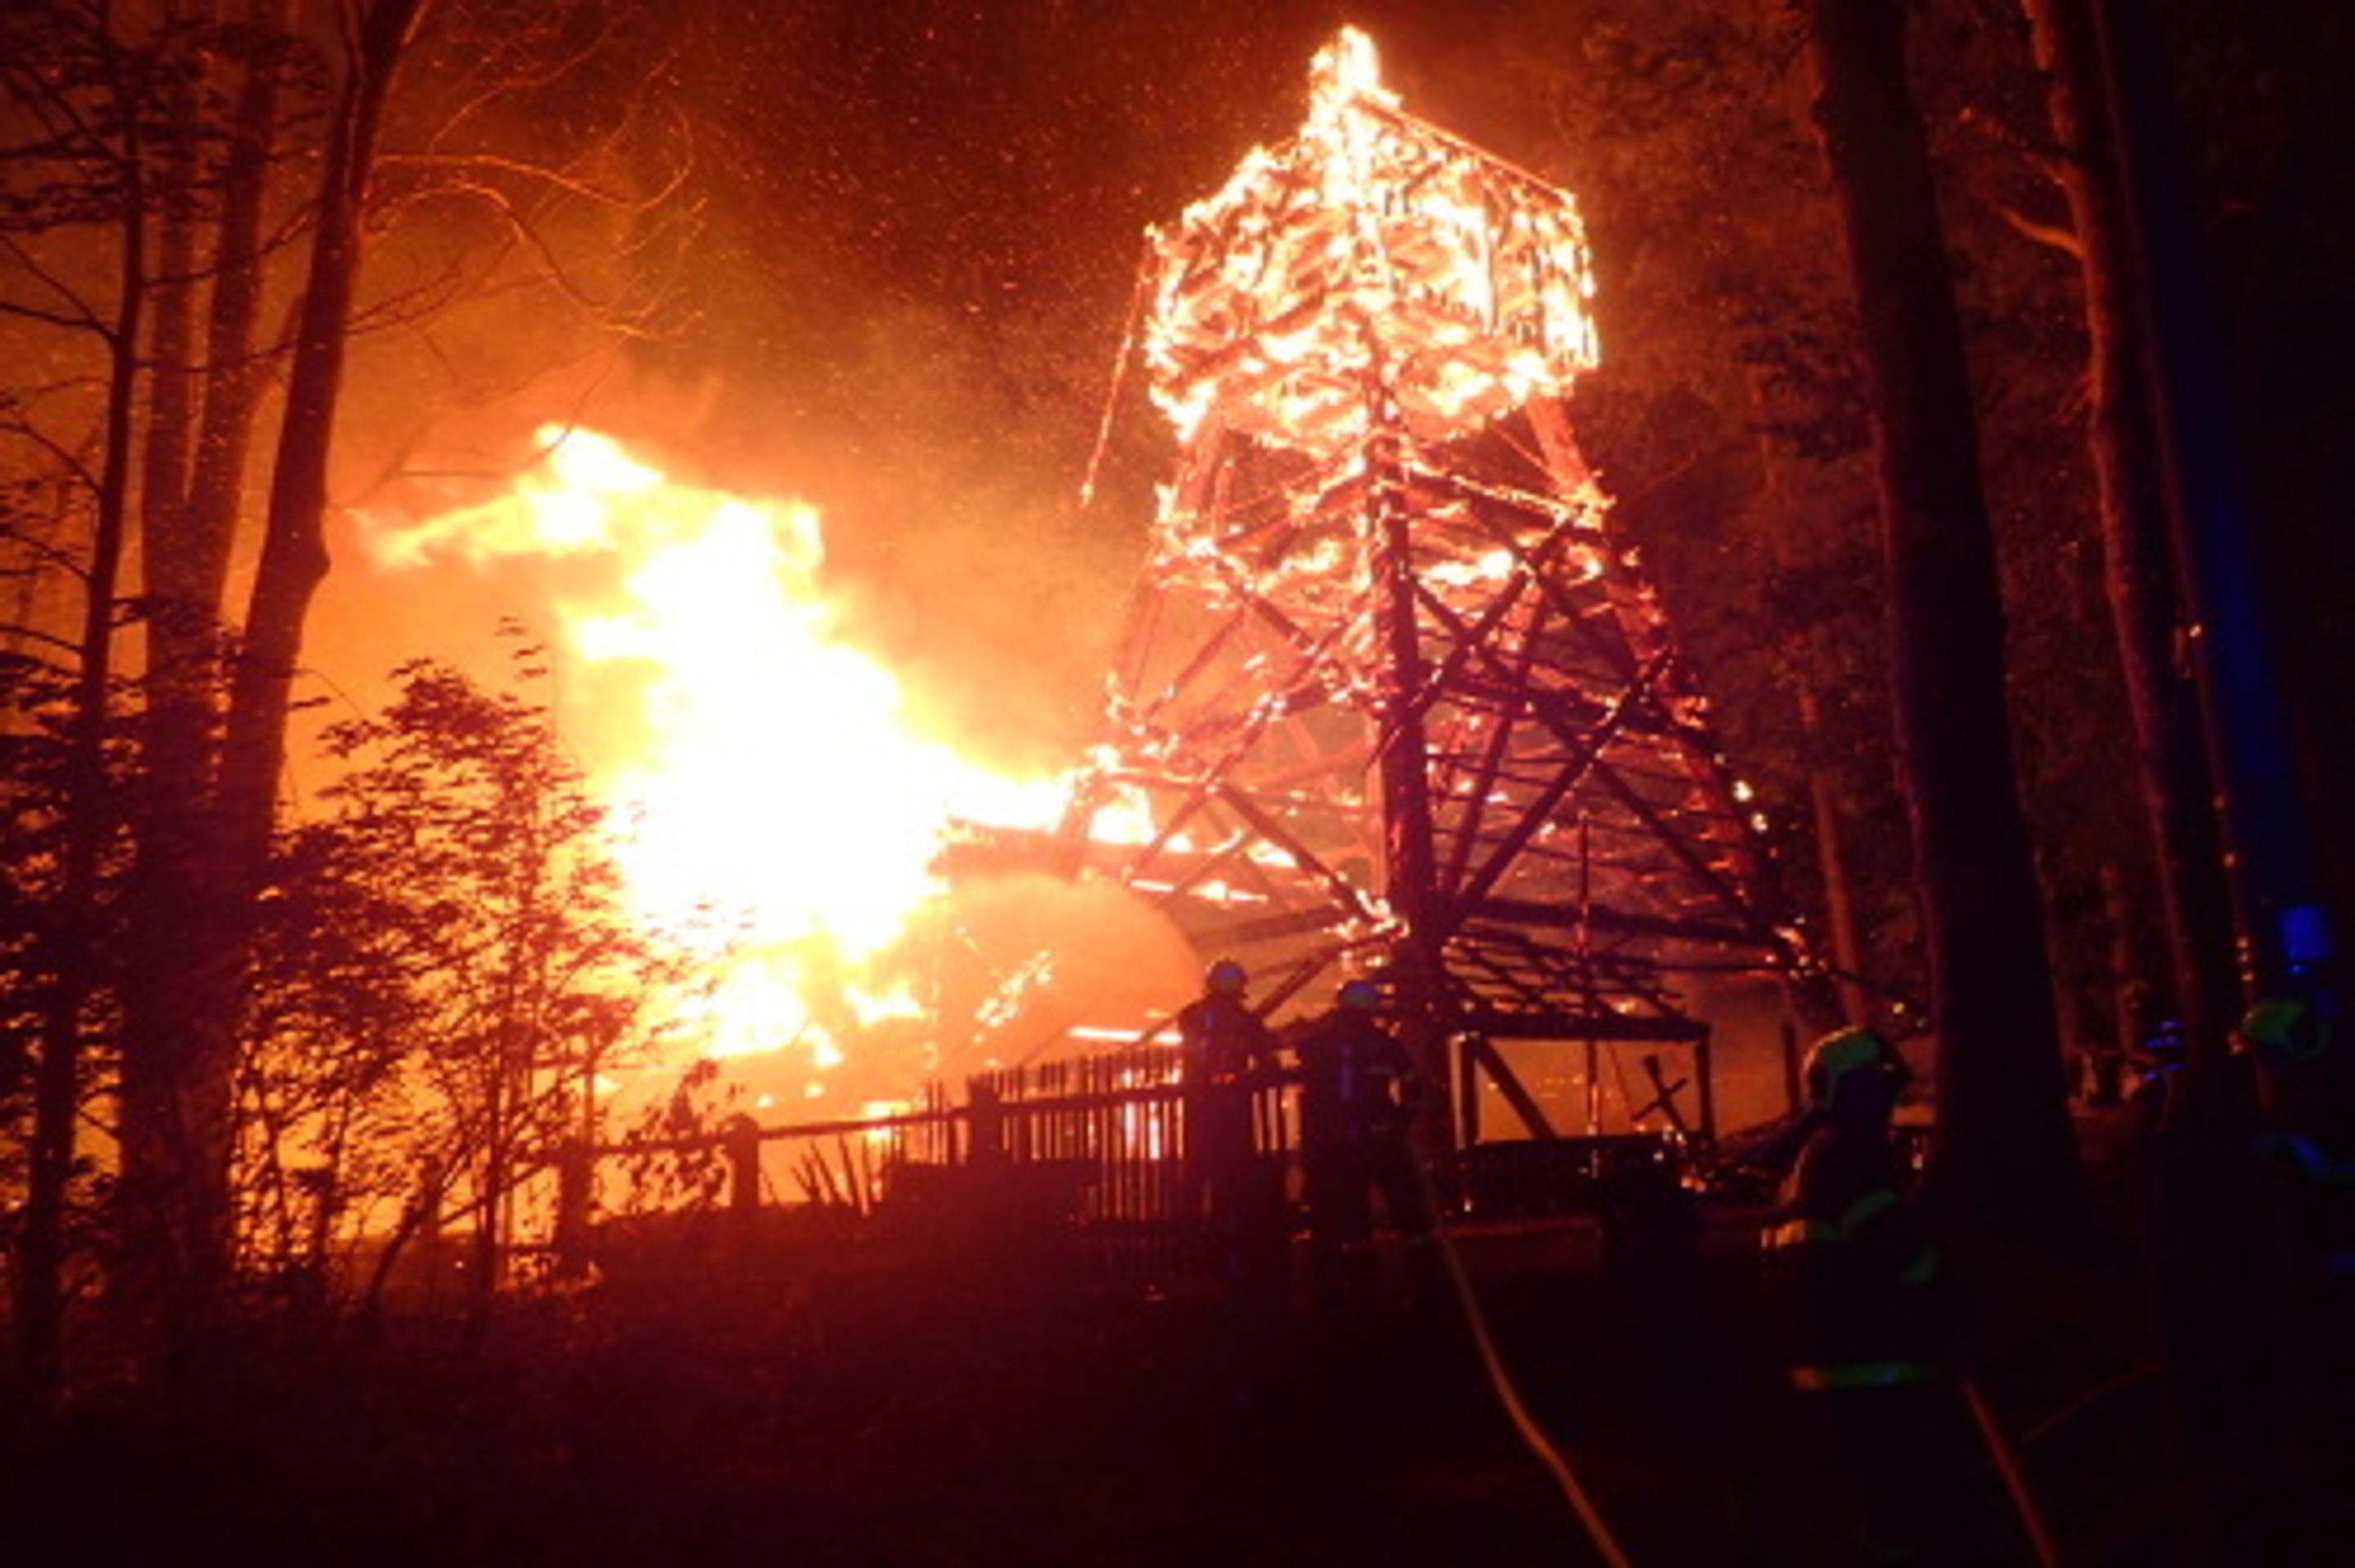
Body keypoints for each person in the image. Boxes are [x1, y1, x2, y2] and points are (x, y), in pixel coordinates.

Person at [1764, 1027, 1965, 1564]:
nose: (1886, 1101)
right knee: (1908, 1506)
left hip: (1843, 1362)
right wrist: (1950, 1296)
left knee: (1889, 1508)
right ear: (1841, 1093)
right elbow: (1893, 1248)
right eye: (1873, 1088)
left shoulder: (1809, 1158)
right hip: (1870, 1362)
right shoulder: (1845, 1155)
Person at [1292, 976, 1437, 1316]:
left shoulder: (1321, 1045)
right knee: (1410, 1214)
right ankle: (1427, 1285)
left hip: (1346, 1146)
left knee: (1354, 1220)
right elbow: (1414, 1089)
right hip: (1383, 1142)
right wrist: (1400, 1122)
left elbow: (1310, 1092)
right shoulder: (1386, 1045)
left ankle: (1361, 1291)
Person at [1176, 959, 1284, 1317]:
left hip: (1226, 1111)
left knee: (1226, 1182)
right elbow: (1195, 1060)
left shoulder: (1239, 1021)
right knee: (1207, 1180)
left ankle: (1217, 1255)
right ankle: (1205, 1255)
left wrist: (1244, 1081)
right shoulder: (1204, 1017)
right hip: (1212, 1110)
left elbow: (1266, 1062)